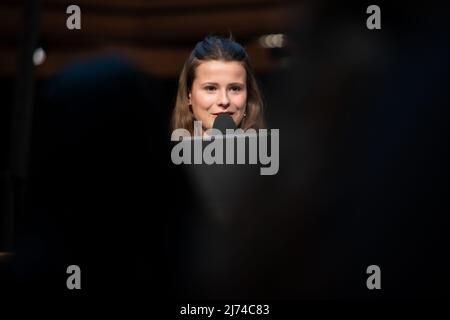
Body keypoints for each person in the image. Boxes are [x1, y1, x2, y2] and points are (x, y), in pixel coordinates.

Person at [171, 35, 265, 135]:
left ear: (248, 94)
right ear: (188, 95)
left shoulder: (268, 150)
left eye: (235, 89)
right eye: (211, 88)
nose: (224, 100)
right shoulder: (167, 150)